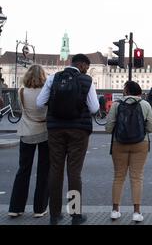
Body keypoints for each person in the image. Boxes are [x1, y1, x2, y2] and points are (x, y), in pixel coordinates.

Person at [36, 54, 99, 225]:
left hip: (55, 130)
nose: (87, 69)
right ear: (82, 65)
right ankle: (75, 214)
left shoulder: (53, 78)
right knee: (74, 172)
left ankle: (55, 215)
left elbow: (39, 102)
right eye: (87, 66)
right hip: (78, 131)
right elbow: (94, 108)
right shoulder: (86, 80)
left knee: (55, 170)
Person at [105, 81, 152, 222]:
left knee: (118, 177)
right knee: (137, 177)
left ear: (126, 91)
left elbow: (108, 128)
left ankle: (115, 210)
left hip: (119, 143)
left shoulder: (116, 105)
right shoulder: (145, 105)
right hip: (140, 143)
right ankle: (136, 212)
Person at [8, 65, 49, 218]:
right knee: (43, 171)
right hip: (44, 131)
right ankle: (39, 208)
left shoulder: (21, 92)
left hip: (26, 131)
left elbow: (22, 110)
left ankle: (15, 207)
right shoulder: (46, 93)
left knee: (23, 170)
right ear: (43, 76)